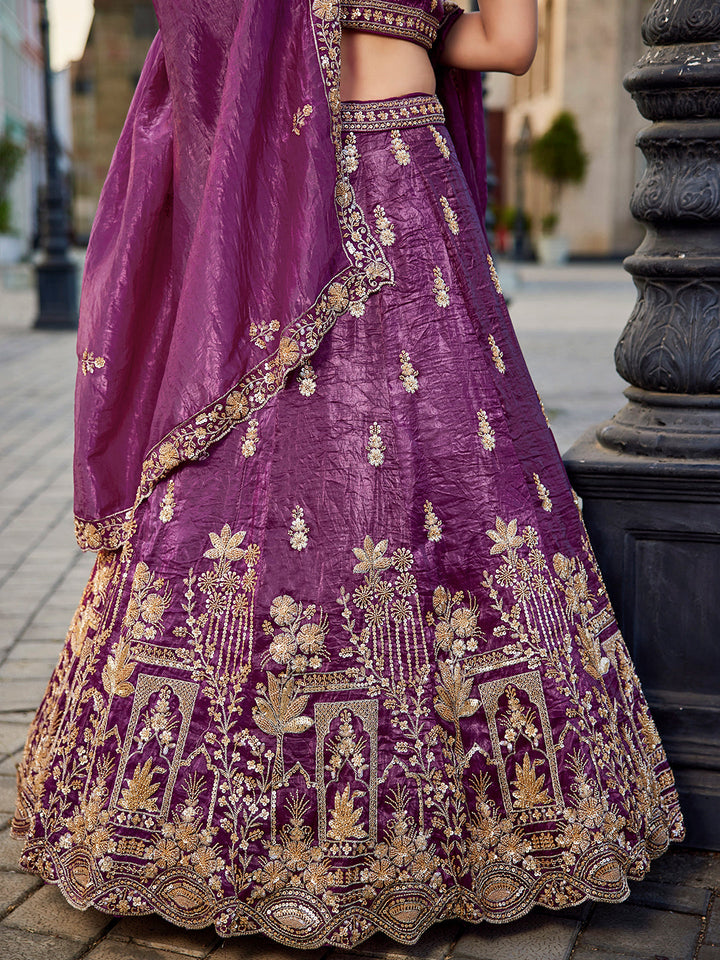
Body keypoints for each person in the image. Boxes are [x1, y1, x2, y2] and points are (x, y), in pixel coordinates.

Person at [12, 0, 683, 950]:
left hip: (301, 181)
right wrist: (407, 25)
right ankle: (505, 813)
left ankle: (187, 813)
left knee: (263, 456)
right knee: (453, 457)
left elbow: (209, 38)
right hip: (413, 181)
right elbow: (509, 45)